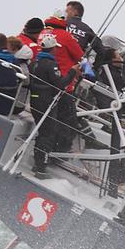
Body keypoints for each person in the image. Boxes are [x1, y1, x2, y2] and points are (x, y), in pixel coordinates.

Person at [29, 35, 81, 178]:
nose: (56, 52)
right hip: (46, 102)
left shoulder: (34, 63)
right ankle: (41, 169)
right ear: (52, 49)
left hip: (34, 101)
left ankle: (37, 163)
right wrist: (72, 72)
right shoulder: (50, 64)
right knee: (48, 134)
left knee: (43, 132)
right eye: (55, 49)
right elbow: (59, 84)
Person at [41, 12, 84, 152]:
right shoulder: (65, 36)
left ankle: (45, 152)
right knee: (67, 120)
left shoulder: (43, 33)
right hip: (63, 85)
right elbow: (80, 57)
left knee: (49, 121)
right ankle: (59, 152)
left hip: (43, 86)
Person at [7, 36, 33, 114]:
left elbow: (26, 81)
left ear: (14, 49)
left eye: (7, 48)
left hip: (17, 104)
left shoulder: (21, 65)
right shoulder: (23, 60)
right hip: (17, 99)